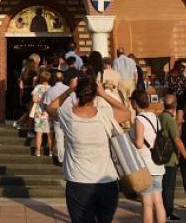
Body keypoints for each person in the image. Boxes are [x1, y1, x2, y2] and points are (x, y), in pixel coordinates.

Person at [47, 75, 130, 223]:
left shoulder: (67, 115)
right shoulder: (105, 114)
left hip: (78, 182)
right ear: (95, 94)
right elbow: (126, 112)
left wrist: (69, 90)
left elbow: (50, 107)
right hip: (107, 181)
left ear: (77, 93)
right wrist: (104, 94)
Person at [130, 89, 166, 223]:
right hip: (158, 164)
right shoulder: (155, 117)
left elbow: (139, 144)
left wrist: (131, 139)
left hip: (146, 166)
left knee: (147, 204)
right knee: (159, 202)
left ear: (135, 102)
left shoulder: (139, 119)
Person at [160, 94, 186, 221]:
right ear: (175, 105)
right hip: (170, 159)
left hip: (160, 157)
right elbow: (177, 140)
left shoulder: (160, 117)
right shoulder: (169, 120)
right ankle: (168, 212)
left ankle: (163, 210)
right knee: (169, 187)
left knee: (163, 186)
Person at [42, 69, 69, 164]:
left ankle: (61, 159)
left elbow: (46, 105)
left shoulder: (50, 90)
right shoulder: (68, 89)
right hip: (69, 115)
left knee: (59, 138)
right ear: (63, 79)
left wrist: (51, 115)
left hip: (57, 115)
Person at [30, 71, 52, 157]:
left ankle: (38, 151)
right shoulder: (51, 88)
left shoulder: (38, 87)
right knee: (50, 133)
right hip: (49, 112)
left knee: (39, 133)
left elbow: (34, 99)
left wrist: (41, 99)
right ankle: (50, 151)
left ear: (41, 78)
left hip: (39, 111)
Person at [166, 60, 186, 125]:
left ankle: (172, 125)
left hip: (172, 95)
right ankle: (178, 125)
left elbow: (167, 83)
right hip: (181, 94)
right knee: (180, 109)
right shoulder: (182, 73)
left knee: (173, 110)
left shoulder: (169, 73)